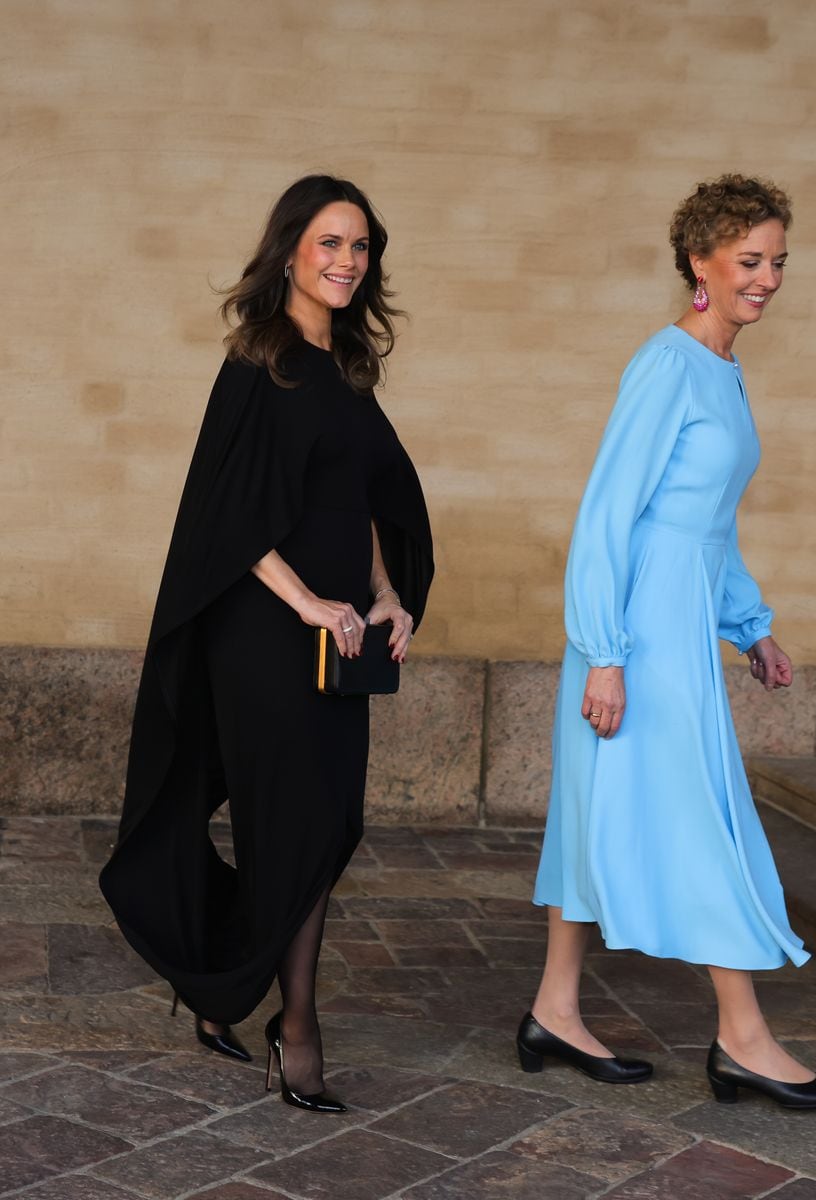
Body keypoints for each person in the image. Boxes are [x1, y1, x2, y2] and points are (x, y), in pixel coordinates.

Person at [518, 175, 816, 1110]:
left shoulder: (724, 372)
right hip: (635, 638)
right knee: (703, 816)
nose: (770, 279)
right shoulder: (667, 364)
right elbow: (608, 516)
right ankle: (743, 1038)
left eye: (778, 261)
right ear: (700, 263)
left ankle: (554, 1009)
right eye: (751, 261)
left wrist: (751, 626)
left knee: (591, 815)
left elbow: (704, 524)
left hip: (673, 626)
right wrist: (607, 651)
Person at [100, 175, 433, 1114]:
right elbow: (228, 519)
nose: (346, 261)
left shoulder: (349, 372)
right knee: (292, 826)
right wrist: (310, 605)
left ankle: (216, 989)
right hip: (265, 638)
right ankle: (299, 1028)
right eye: (329, 243)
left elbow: (362, 500)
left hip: (337, 640)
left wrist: (383, 597)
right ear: (290, 251)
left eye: (360, 247)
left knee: (328, 826)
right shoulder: (259, 363)